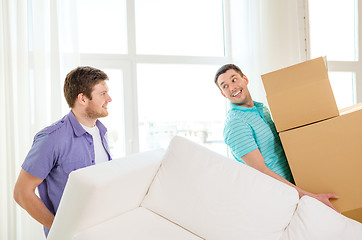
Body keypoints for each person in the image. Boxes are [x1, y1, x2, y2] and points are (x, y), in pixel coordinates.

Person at [214, 63, 338, 210]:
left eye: (234, 80)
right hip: (281, 199)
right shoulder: (235, 124)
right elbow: (261, 171)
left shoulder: (261, 109)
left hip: (298, 186)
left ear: (245, 79)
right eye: (225, 86)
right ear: (223, 93)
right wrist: (311, 198)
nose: (232, 87)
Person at [13, 66, 113, 236]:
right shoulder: (51, 138)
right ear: (82, 98)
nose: (109, 99)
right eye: (102, 93)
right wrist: (61, 230)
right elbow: (22, 193)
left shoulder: (101, 132)